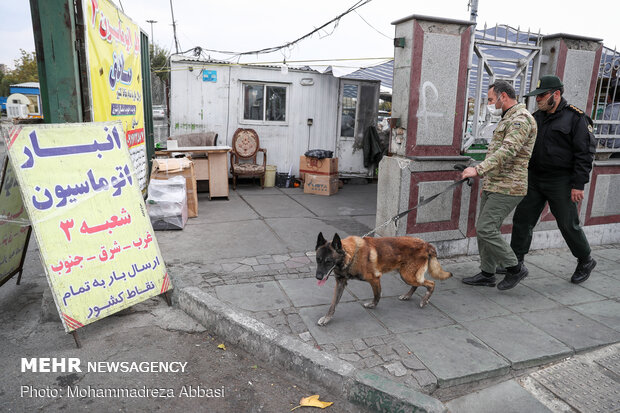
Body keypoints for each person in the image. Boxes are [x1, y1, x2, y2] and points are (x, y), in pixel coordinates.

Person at [509, 75, 597, 288]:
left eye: (542, 96)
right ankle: (514, 263)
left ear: (556, 94)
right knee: (522, 220)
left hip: (562, 181)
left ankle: (585, 260)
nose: (537, 100)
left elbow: (585, 154)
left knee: (568, 224)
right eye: (536, 96)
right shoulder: (537, 117)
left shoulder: (576, 118)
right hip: (535, 178)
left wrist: (579, 184)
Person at [460, 80, 537, 289]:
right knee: (485, 228)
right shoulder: (508, 118)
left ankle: (515, 268)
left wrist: (478, 170)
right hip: (495, 183)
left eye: (492, 100)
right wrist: (479, 167)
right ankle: (487, 273)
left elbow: (508, 151)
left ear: (504, 96)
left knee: (485, 228)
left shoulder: (521, 119)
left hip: (509, 186)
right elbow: (497, 152)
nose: (491, 104)